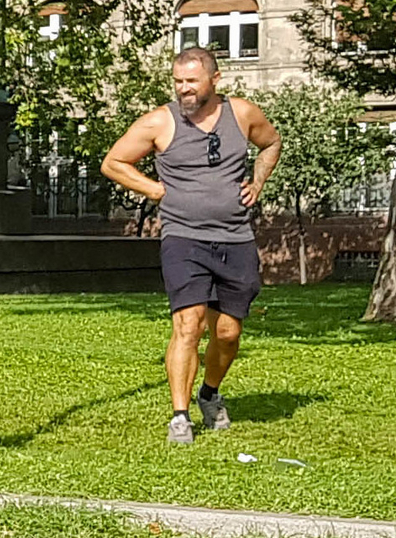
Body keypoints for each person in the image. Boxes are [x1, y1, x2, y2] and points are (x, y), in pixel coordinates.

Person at [100, 46, 282, 444]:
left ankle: (210, 393)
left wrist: (259, 181)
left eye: (192, 82)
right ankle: (179, 416)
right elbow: (114, 162)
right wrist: (156, 190)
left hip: (235, 237)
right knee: (188, 325)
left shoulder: (243, 114)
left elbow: (271, 143)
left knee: (228, 333)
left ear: (215, 80)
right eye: (178, 82)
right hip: (184, 237)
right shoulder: (159, 122)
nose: (184, 89)